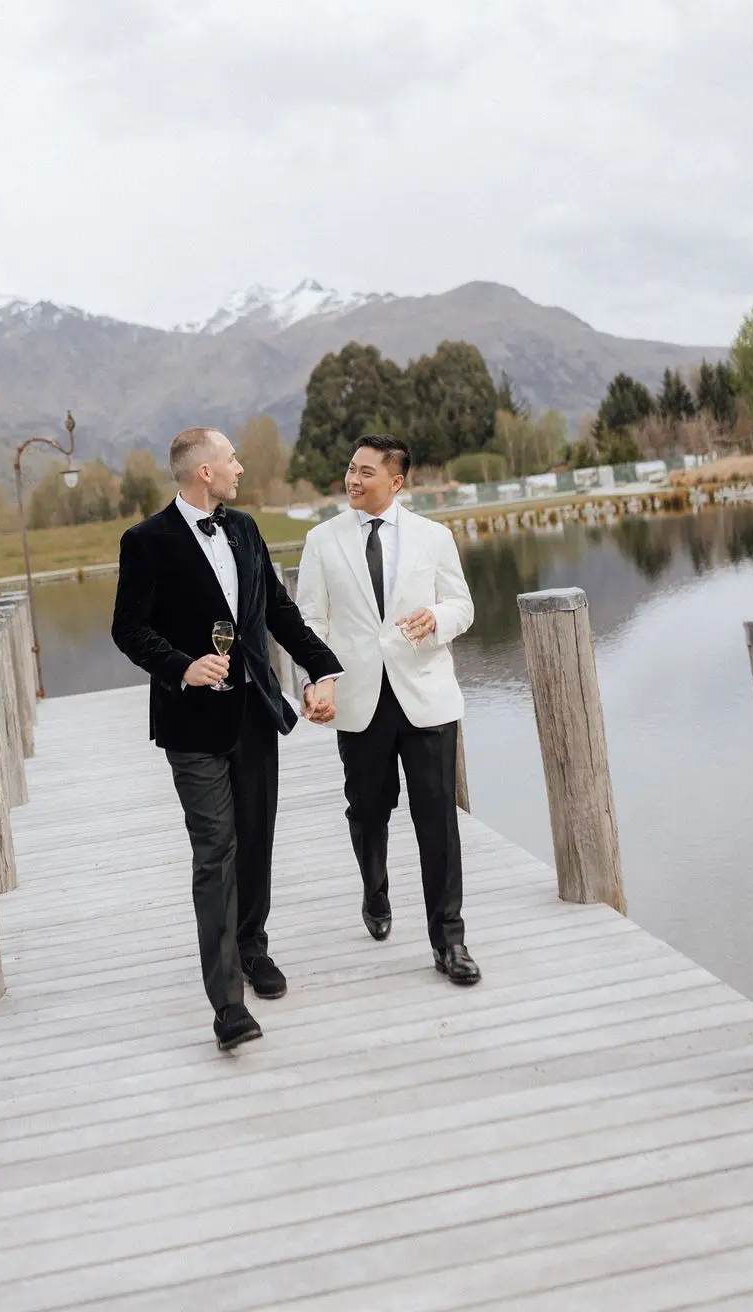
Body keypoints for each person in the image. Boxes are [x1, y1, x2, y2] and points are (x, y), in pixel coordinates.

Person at [111, 427, 342, 1050]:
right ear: (205, 472)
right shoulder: (146, 541)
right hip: (191, 724)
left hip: (254, 714)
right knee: (215, 851)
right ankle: (227, 1006)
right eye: (231, 458)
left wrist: (322, 667)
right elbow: (128, 629)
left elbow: (278, 611)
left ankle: (253, 947)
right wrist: (181, 666)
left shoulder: (243, 529)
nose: (240, 467)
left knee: (256, 839)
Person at [296, 433, 481, 985]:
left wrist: (437, 619)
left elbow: (462, 606)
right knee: (367, 810)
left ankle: (449, 941)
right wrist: (318, 681)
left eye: (366, 472)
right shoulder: (322, 540)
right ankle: (374, 888)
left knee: (438, 821)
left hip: (426, 697)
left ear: (396, 481)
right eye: (351, 469)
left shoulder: (434, 536)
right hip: (359, 700)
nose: (352, 480)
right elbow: (310, 622)